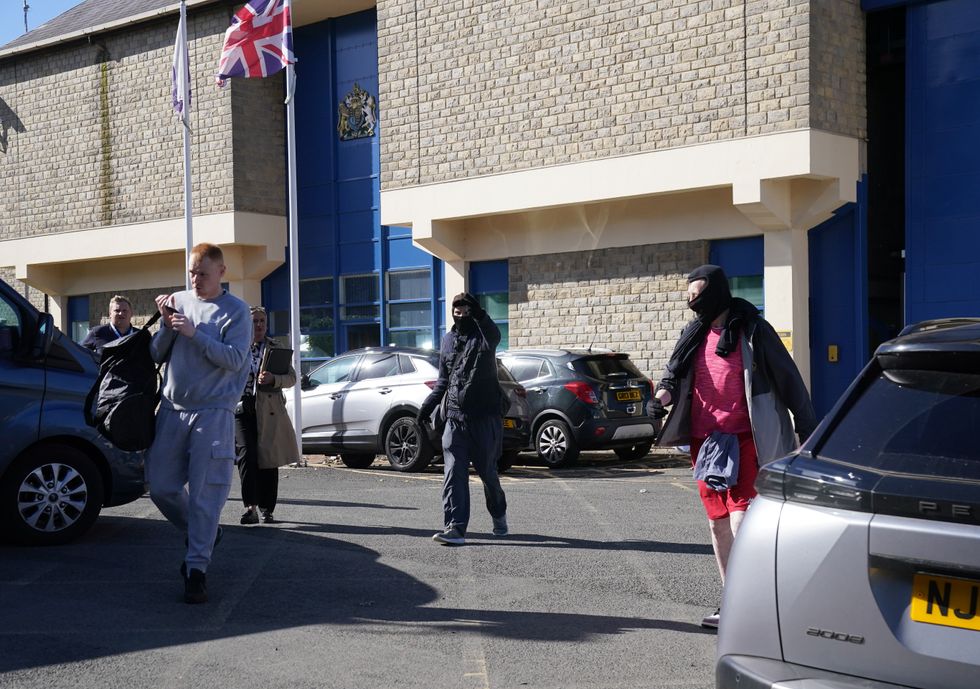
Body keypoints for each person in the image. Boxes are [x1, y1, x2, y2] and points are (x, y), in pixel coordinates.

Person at [650, 264, 816, 629]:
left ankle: (752, 601)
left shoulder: (754, 331)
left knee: (742, 520)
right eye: (689, 295)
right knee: (717, 524)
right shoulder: (693, 334)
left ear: (716, 293)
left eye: (698, 295)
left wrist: (807, 427)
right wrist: (659, 400)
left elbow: (788, 379)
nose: (691, 302)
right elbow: (672, 377)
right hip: (704, 441)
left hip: (745, 437)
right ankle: (731, 600)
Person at [146, 243, 252, 604]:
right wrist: (165, 326)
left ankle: (196, 570)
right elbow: (155, 354)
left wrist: (196, 333)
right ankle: (202, 533)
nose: (195, 280)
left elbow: (237, 360)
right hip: (172, 408)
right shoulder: (179, 300)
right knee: (160, 485)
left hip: (213, 412)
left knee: (207, 493)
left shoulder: (236, 312)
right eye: (192, 272)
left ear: (221, 273)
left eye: (203, 273)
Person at [417, 292, 508, 546]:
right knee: (454, 471)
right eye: (456, 307)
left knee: (488, 473)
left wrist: (478, 314)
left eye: (465, 307)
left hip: (484, 417)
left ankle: (499, 514)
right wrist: (426, 408)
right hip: (455, 418)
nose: (459, 311)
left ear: (474, 309)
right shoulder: (447, 341)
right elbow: (443, 382)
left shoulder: (484, 336)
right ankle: (455, 527)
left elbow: (494, 334)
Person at [235, 306, 299, 526]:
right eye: (254, 321)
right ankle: (250, 507)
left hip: (269, 409)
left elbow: (291, 378)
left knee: (268, 459)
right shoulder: (236, 346)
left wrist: (273, 379)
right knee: (247, 455)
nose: (259, 325)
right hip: (241, 409)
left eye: (262, 321)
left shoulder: (275, 347)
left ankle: (267, 509)